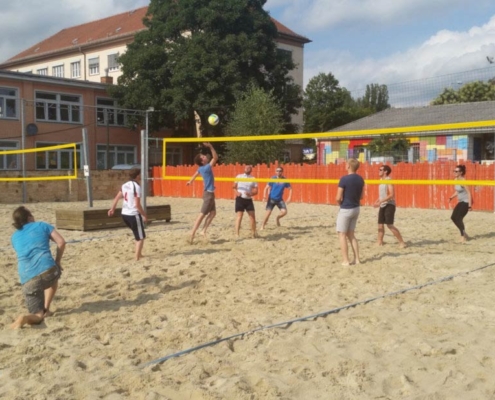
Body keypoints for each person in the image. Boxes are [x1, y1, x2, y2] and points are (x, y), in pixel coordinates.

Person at [10, 206, 66, 329]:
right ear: (29, 217)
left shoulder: (14, 237)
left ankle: (38, 312)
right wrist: (57, 261)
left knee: (36, 314)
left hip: (26, 278)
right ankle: (43, 310)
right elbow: (61, 242)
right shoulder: (41, 225)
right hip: (48, 270)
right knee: (52, 276)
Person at [108, 168, 148, 260]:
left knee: (137, 234)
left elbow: (117, 198)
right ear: (137, 175)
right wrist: (144, 215)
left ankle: (139, 254)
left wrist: (112, 209)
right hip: (133, 214)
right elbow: (137, 205)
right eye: (140, 174)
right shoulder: (137, 187)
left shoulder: (124, 185)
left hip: (124, 214)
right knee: (141, 237)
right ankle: (137, 257)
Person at [186, 142, 218, 243]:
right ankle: (193, 232)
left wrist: (190, 181)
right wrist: (211, 146)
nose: (205, 156)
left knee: (213, 213)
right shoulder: (207, 167)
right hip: (208, 194)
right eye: (203, 156)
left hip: (210, 193)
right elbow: (215, 158)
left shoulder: (201, 168)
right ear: (202, 161)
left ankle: (203, 231)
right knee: (202, 214)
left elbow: (195, 174)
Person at [336, 158, 365, 266]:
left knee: (342, 234)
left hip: (346, 209)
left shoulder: (344, 179)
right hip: (356, 208)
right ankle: (357, 259)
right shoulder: (360, 179)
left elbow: (338, 197)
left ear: (348, 166)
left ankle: (345, 260)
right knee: (351, 235)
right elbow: (362, 196)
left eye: (346, 164)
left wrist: (340, 203)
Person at [374, 165, 407, 248]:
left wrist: (380, 201)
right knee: (380, 224)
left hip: (389, 205)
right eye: (379, 169)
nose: (379, 171)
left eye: (381, 169)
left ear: (385, 171)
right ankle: (380, 242)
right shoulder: (381, 180)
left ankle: (402, 242)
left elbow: (391, 195)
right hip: (382, 204)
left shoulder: (388, 180)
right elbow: (383, 194)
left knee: (389, 225)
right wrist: (378, 200)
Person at [233, 165, 258, 238]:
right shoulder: (239, 176)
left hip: (248, 199)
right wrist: (236, 192)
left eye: (249, 168)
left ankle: (253, 233)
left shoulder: (253, 178)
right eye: (246, 167)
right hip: (240, 198)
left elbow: (256, 191)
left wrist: (251, 193)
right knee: (239, 216)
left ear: (251, 170)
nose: (247, 168)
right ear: (244, 169)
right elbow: (234, 187)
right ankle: (237, 234)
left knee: (252, 216)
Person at [449, 164, 472, 242]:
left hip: (466, 202)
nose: (454, 172)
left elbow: (469, 193)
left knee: (458, 218)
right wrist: (451, 197)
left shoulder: (463, 181)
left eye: (456, 171)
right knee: (453, 217)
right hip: (460, 201)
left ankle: (463, 236)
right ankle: (464, 233)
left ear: (461, 172)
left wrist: (470, 205)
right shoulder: (456, 180)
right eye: (454, 171)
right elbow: (458, 191)